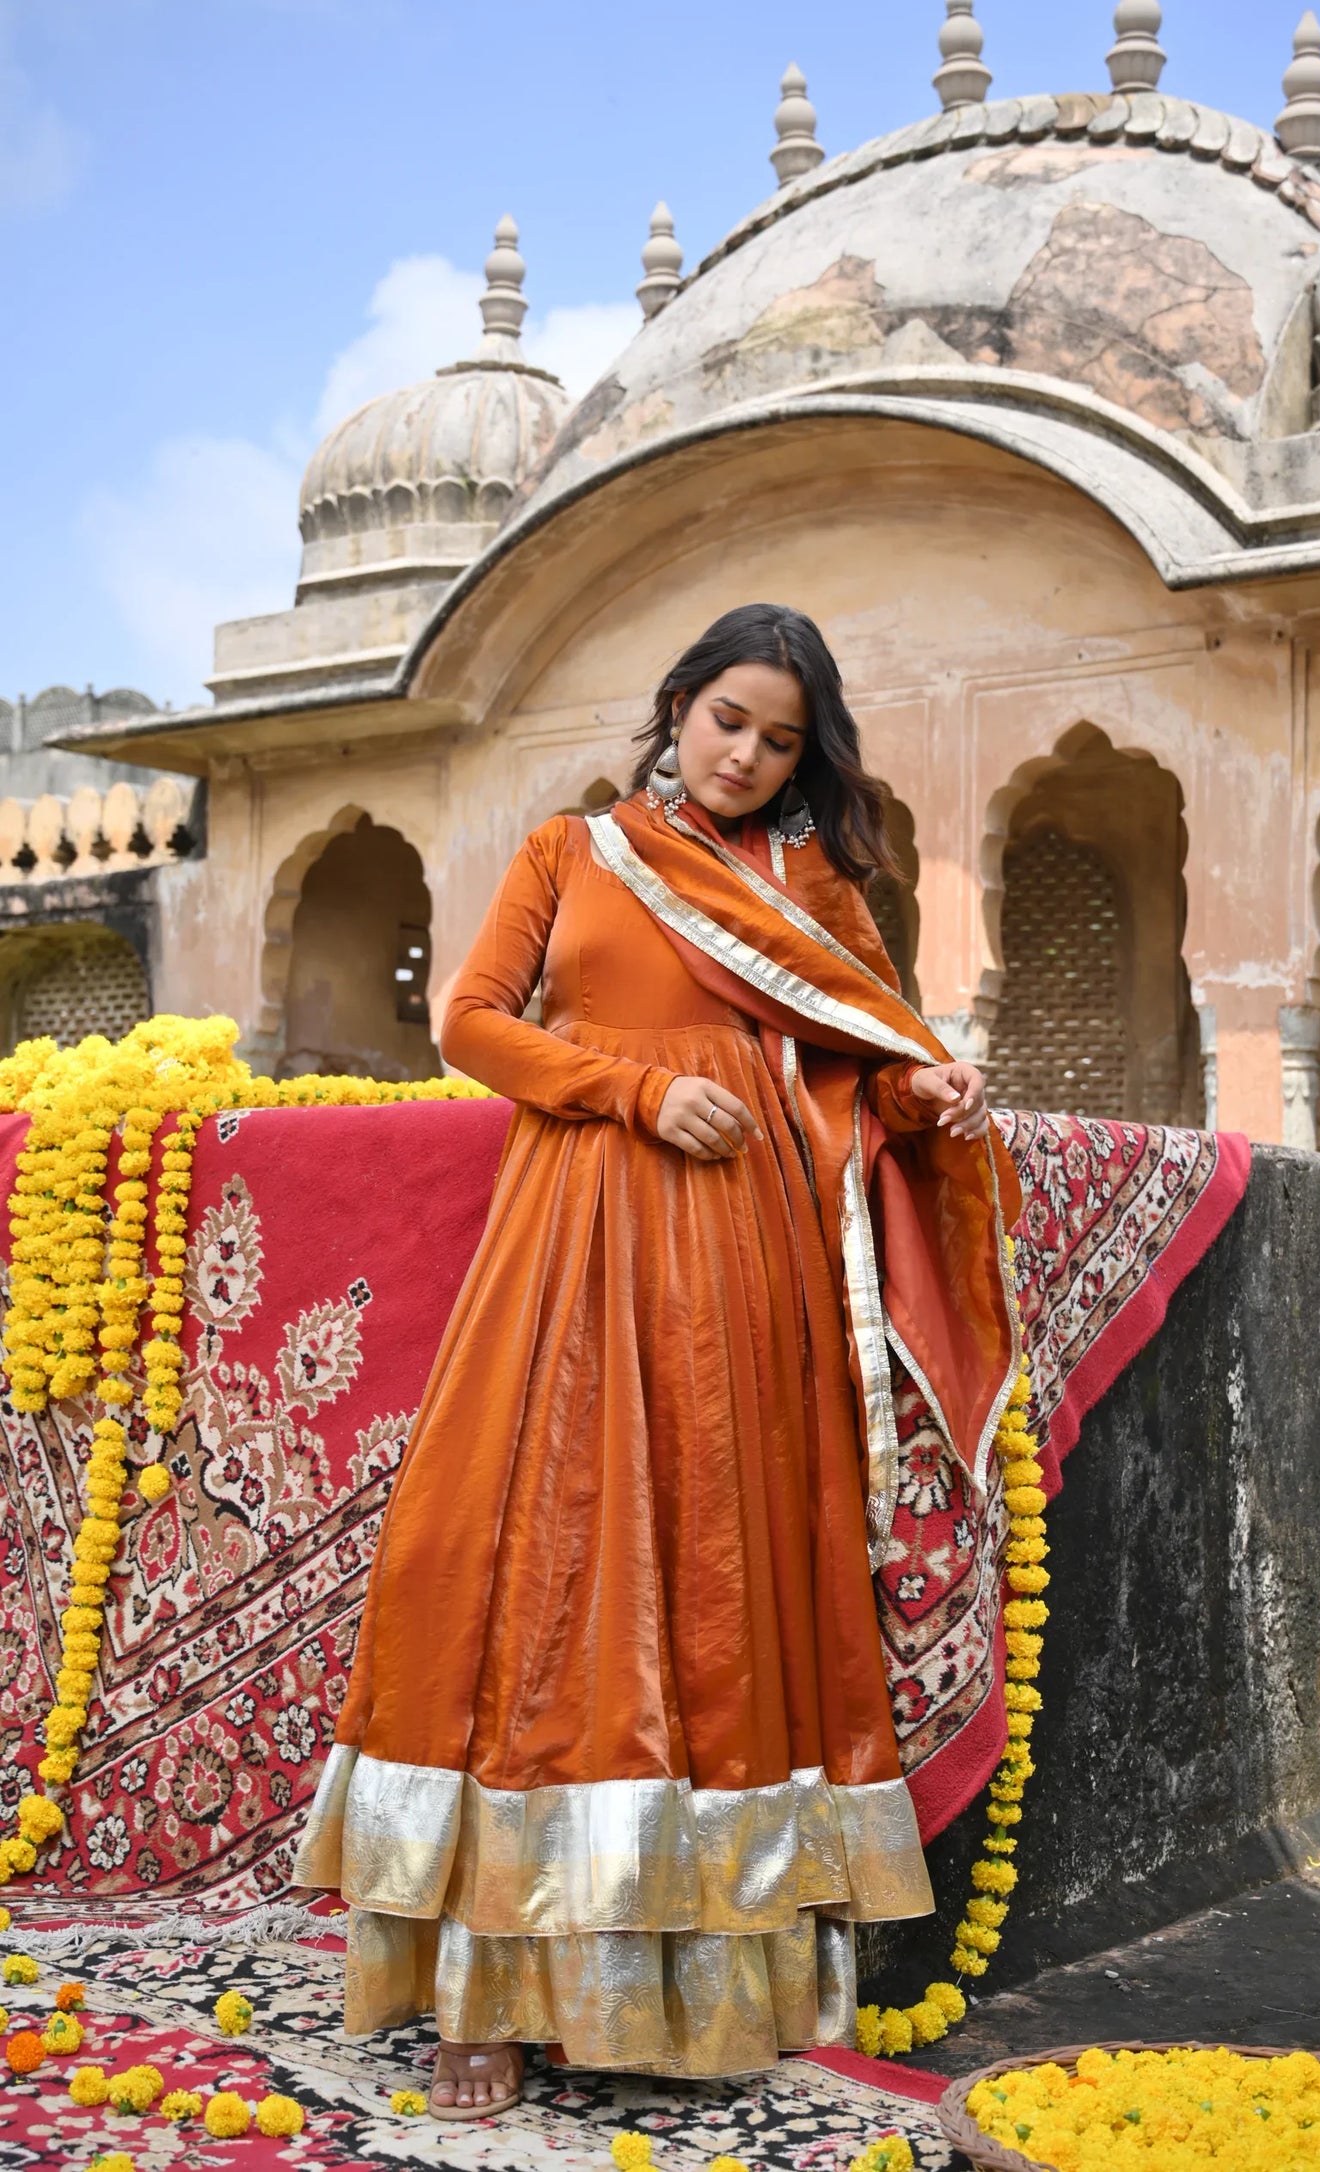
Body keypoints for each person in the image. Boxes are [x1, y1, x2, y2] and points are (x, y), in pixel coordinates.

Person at [294, 603, 1020, 2116]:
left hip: (747, 1265)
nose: (747, 755)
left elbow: (861, 1074)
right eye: (726, 721)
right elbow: (474, 1027)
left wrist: (927, 1096)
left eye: (778, 737)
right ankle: (480, 1984)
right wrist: (626, 1091)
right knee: (531, 1562)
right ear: (676, 706)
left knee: (715, 1575)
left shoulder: (808, 880)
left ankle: (694, 1989)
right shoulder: (575, 854)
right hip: (579, 1232)